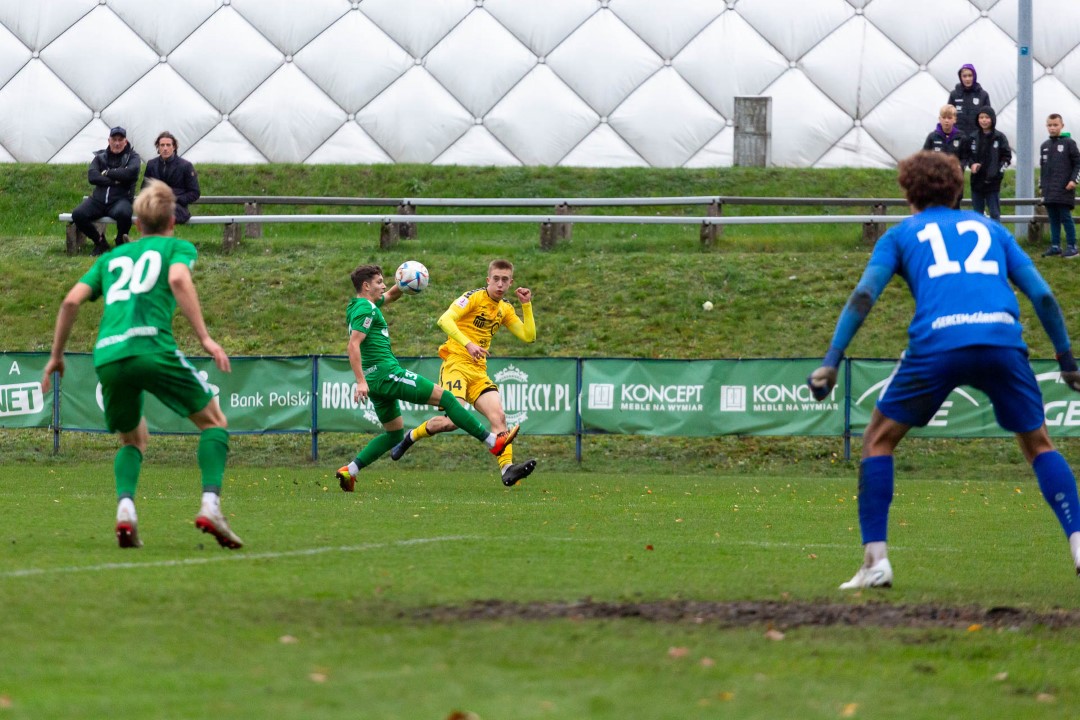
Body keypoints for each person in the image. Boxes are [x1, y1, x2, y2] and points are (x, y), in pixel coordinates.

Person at [807, 151, 1080, 590]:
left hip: (938, 343)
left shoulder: (900, 235)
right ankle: (1079, 542)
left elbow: (863, 296)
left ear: (908, 193)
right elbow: (1043, 296)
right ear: (958, 190)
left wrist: (831, 361)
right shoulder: (993, 230)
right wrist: (1066, 361)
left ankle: (876, 562)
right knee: (1038, 444)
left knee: (878, 440)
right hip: (1001, 341)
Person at [42, 179, 242, 550]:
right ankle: (210, 506)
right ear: (172, 221)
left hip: (109, 355)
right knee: (214, 422)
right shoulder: (176, 247)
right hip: (151, 347)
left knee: (133, 439)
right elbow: (178, 277)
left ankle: (126, 510)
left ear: (136, 224)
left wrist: (56, 356)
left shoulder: (109, 259)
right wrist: (205, 338)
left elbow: (70, 302)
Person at [334, 264, 521, 492]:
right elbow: (353, 345)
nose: (383, 285)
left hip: (376, 381)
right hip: (387, 374)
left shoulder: (359, 305)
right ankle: (492, 442)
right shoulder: (367, 309)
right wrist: (360, 381)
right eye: (379, 282)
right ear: (366, 286)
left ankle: (350, 470)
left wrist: (405, 281)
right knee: (448, 399)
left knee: (394, 435)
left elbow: (391, 295)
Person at [390, 259, 538, 487]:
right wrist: (468, 344)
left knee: (499, 416)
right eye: (496, 279)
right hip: (456, 364)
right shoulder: (473, 297)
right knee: (452, 422)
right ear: (488, 280)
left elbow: (529, 336)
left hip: (478, 371)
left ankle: (507, 469)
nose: (500, 284)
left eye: (505, 280)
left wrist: (526, 305)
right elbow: (444, 320)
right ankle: (411, 436)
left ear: (511, 282)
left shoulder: (505, 309)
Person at [71, 126, 142, 257]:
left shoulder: (133, 157)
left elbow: (130, 173)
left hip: (120, 200)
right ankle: (99, 242)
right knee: (78, 214)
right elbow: (92, 176)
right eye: (114, 139)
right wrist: (115, 181)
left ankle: (120, 242)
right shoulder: (100, 157)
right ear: (109, 140)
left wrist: (107, 173)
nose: (117, 143)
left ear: (125, 141)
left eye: (120, 140)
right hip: (98, 200)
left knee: (124, 214)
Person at [1039, 113, 1080, 258]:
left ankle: (1072, 246)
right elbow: (1043, 169)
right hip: (1049, 190)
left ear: (1062, 126)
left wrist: (1073, 180)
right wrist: (1042, 186)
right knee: (1053, 218)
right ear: (1046, 126)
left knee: (1065, 217)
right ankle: (1055, 246)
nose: (1052, 128)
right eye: (1050, 125)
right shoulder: (1044, 146)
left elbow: (1078, 164)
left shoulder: (1069, 143)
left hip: (1064, 188)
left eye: (1055, 125)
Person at [141, 130, 200, 224]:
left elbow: (194, 193)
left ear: (174, 147)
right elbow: (144, 188)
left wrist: (175, 198)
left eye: (168, 145)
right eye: (162, 145)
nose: (165, 148)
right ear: (158, 147)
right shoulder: (151, 164)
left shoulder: (185, 166)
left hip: (177, 207)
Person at [968, 107, 1012, 221]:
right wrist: (972, 165)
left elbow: (1007, 157)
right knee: (977, 216)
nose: (984, 120)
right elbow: (968, 156)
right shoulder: (973, 137)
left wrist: (998, 171)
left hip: (993, 183)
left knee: (994, 214)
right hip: (976, 181)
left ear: (992, 119)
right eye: (981, 117)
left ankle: (995, 232)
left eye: (987, 117)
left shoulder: (1000, 137)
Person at [923, 105, 968, 208]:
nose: (946, 121)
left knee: (954, 213)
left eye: (949, 118)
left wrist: (959, 166)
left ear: (955, 119)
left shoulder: (961, 137)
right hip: (936, 183)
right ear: (940, 119)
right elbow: (924, 157)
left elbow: (965, 157)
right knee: (937, 213)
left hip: (954, 183)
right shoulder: (932, 137)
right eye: (944, 118)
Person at [947, 63, 991, 138]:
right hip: (958, 137)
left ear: (974, 76)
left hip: (977, 138)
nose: (967, 79)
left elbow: (989, 118)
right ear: (960, 77)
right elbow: (948, 116)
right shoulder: (954, 94)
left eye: (970, 75)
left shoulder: (983, 95)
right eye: (964, 76)